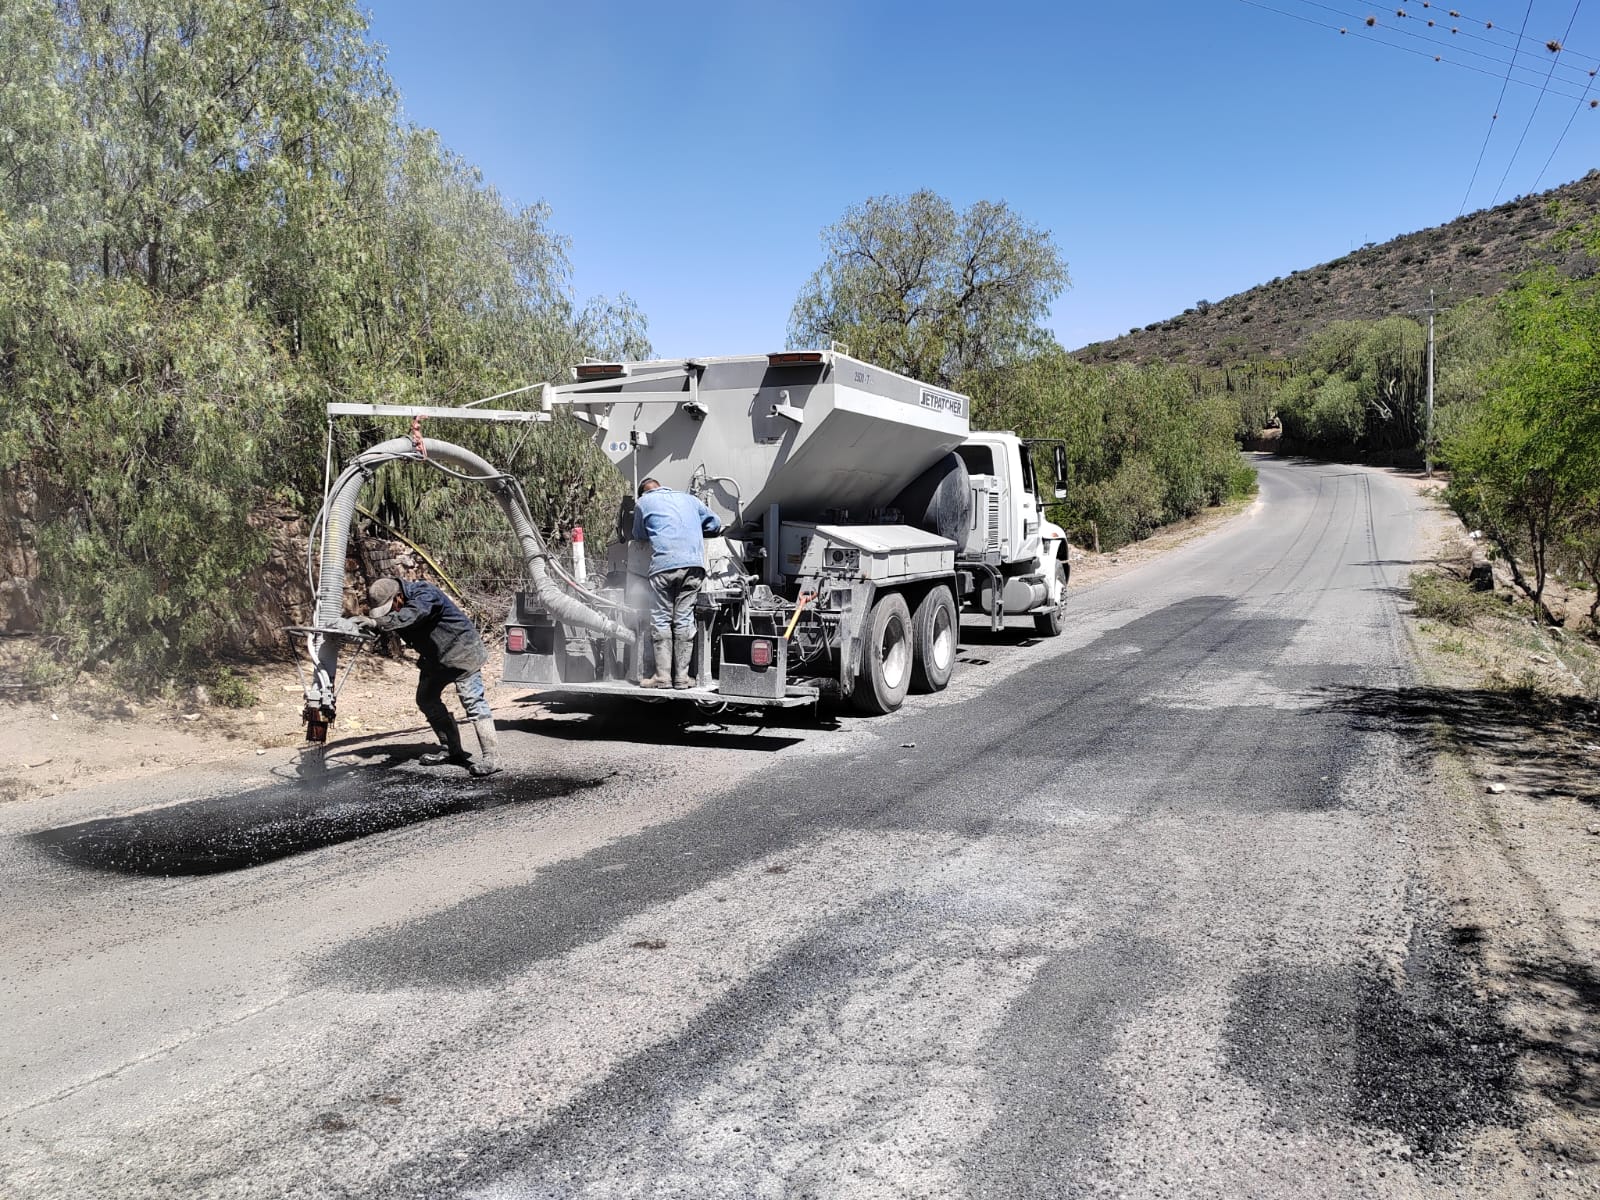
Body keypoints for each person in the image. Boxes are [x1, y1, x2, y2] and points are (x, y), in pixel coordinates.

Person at [354, 575, 500, 776]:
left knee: (473, 702)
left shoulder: (425, 593)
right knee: (426, 699)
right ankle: (452, 749)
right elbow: (393, 622)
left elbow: (413, 614)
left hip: (463, 653)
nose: (392, 612)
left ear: (398, 597)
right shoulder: (401, 605)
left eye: (391, 608)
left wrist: (376, 622)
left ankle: (492, 758)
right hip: (435, 658)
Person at [631, 478, 722, 689]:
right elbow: (715, 524)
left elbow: (638, 535)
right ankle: (682, 678)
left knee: (662, 618)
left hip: (663, 567)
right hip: (694, 566)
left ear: (643, 493)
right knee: (684, 618)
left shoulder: (643, 503)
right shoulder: (690, 499)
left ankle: (662, 677)